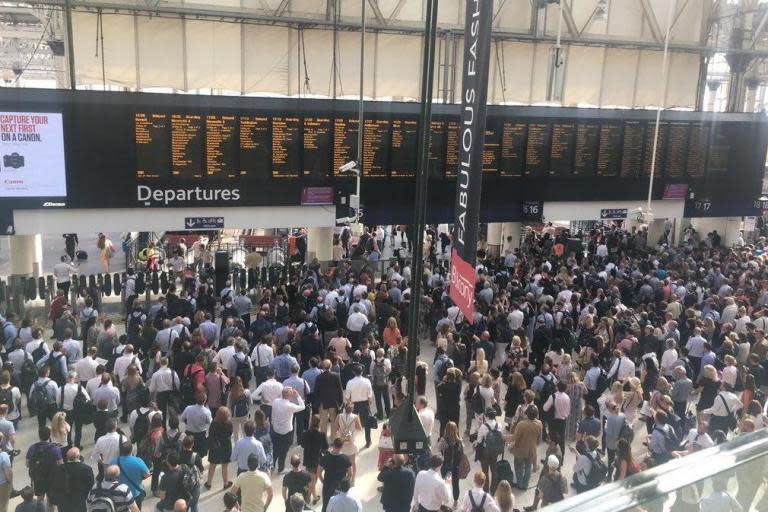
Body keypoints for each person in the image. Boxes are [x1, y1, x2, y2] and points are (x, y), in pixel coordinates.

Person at [270, 387, 306, 473]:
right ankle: (281, 468)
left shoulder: (275, 401)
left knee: (275, 449)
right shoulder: (290, 406)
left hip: (275, 429)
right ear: (290, 396)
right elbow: (302, 406)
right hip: (286, 432)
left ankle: (272, 465)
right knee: (283, 451)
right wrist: (297, 396)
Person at [26, 426, 64, 504]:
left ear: (39, 436)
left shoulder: (32, 448)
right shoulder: (55, 449)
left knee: (39, 500)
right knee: (51, 501)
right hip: (52, 479)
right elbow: (61, 465)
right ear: (50, 436)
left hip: (38, 478)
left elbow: (27, 463)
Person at [50, 447, 94, 512]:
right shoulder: (86, 469)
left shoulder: (59, 469)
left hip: (63, 502)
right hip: (79, 501)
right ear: (78, 456)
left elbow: (55, 484)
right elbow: (91, 485)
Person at [109, 441, 150, 509]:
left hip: (119, 494)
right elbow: (147, 474)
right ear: (131, 450)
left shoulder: (113, 461)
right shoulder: (138, 461)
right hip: (135, 493)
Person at [511, 405, 542, 491]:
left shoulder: (521, 424)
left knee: (518, 468)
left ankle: (520, 484)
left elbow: (515, 438)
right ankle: (525, 485)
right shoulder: (539, 424)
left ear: (527, 414)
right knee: (528, 468)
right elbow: (539, 439)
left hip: (520, 451)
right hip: (531, 450)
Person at [317, 438, 352, 512]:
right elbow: (350, 474)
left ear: (333, 445)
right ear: (342, 446)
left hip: (328, 485)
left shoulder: (325, 458)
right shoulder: (345, 458)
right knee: (338, 507)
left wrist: (323, 481)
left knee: (326, 505)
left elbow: (318, 472)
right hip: (340, 487)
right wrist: (345, 482)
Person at [300, 415, 328, 505]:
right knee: (313, 480)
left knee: (313, 479)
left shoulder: (305, 433)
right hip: (317, 459)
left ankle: (308, 494)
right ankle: (312, 497)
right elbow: (325, 447)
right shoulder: (321, 435)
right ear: (319, 423)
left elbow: (302, 445)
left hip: (308, 459)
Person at [206, 406, 233, 490]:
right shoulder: (229, 424)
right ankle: (225, 483)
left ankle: (209, 483)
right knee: (225, 466)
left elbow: (210, 435)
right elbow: (230, 434)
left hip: (215, 446)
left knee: (212, 465)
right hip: (226, 446)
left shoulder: (214, 424)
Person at [180, 392, 212, 458]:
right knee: (200, 455)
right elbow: (210, 422)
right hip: (201, 435)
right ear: (205, 400)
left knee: (188, 454)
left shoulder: (188, 408)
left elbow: (182, 419)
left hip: (189, 434)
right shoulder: (206, 412)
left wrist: (188, 422)